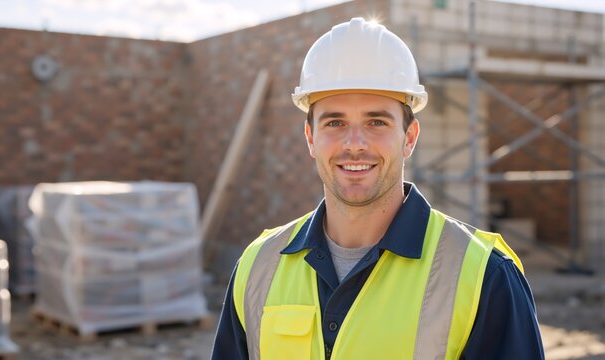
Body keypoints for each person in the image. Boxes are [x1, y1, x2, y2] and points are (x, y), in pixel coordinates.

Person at [212, 17, 544, 359]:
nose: (354, 144)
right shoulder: (256, 268)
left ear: (409, 138)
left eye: (376, 122)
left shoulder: (485, 276)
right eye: (335, 122)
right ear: (311, 138)